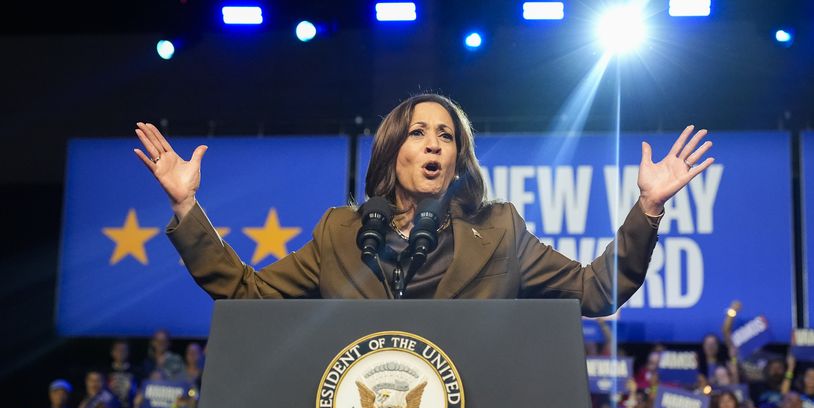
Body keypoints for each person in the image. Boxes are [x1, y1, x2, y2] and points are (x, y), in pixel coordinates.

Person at [133, 93, 714, 311]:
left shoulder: (501, 228)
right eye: (419, 132)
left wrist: (649, 209)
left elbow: (594, 290)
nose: (435, 143)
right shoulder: (340, 232)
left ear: (458, 161)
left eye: (448, 136)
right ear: (391, 152)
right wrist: (187, 209)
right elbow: (247, 293)